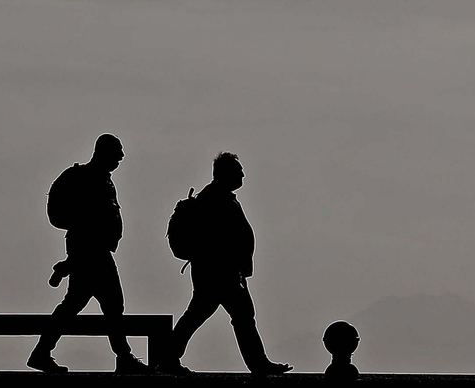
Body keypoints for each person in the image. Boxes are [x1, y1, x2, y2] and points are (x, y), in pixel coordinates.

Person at [155, 152, 291, 375]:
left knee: (203, 314)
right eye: (238, 171)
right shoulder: (215, 199)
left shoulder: (220, 197)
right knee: (239, 316)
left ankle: (168, 359)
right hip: (220, 273)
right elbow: (220, 240)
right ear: (225, 173)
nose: (243, 175)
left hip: (220, 272)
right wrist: (233, 269)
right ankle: (258, 364)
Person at [29, 134, 150, 374]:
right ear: (103, 152)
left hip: (92, 251)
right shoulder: (89, 179)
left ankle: (41, 352)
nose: (121, 157)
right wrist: (77, 257)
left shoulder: (102, 179)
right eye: (117, 153)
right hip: (91, 251)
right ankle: (123, 357)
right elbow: (88, 221)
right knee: (110, 303)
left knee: (77, 303)